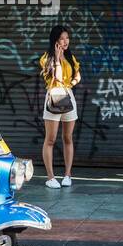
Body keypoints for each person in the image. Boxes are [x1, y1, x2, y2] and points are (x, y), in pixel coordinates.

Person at [38, 24, 80, 189]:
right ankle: (50, 177)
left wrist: (73, 83)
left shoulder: (70, 57)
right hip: (53, 97)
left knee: (68, 138)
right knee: (50, 139)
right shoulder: (46, 58)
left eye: (67, 38)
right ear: (55, 40)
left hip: (68, 96)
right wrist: (56, 57)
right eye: (62, 38)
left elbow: (77, 74)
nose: (65, 41)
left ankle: (68, 174)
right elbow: (58, 77)